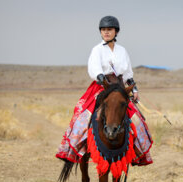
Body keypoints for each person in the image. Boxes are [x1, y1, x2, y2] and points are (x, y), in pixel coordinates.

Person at [56, 16, 153, 166]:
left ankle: (137, 152)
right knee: (83, 117)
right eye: (103, 30)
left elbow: (127, 73)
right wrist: (100, 76)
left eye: (109, 29)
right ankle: (75, 147)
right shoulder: (97, 50)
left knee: (137, 119)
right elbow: (93, 68)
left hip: (120, 87)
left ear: (116, 32)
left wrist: (134, 89)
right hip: (102, 86)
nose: (106, 32)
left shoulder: (122, 51)